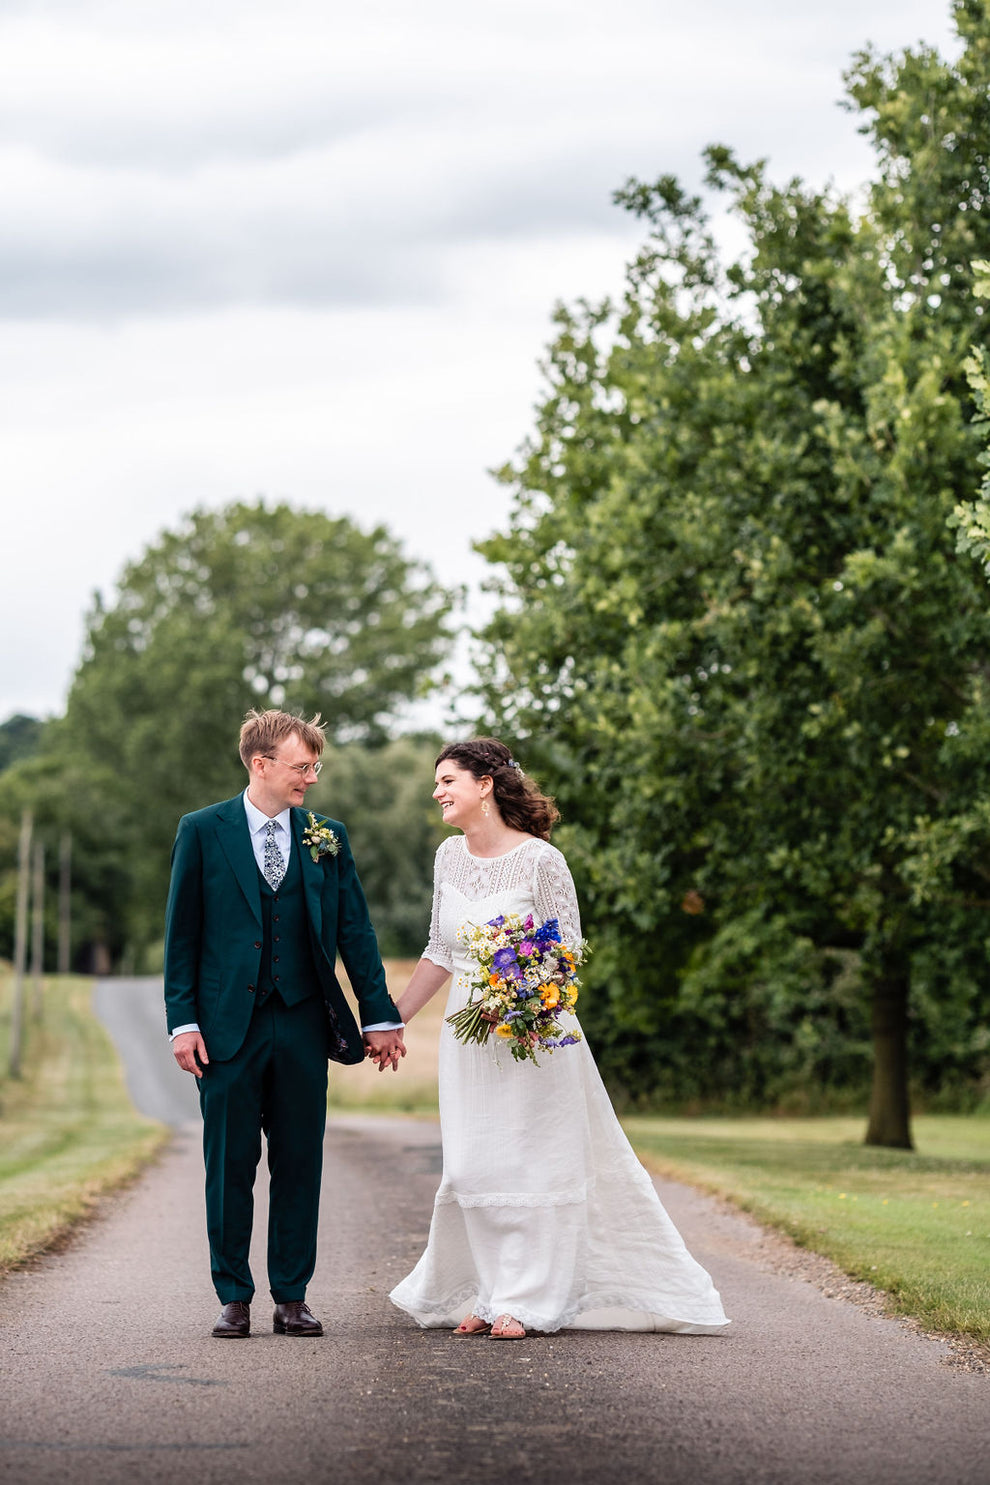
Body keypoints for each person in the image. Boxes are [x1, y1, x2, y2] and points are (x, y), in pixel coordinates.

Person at [389, 737, 729, 1340]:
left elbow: (566, 951)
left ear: (485, 784)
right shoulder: (447, 856)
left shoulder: (543, 862)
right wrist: (392, 1020)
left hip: (535, 1034)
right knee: (474, 1165)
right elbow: (440, 950)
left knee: (534, 1162)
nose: (436, 791)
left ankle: (528, 1299)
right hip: (467, 1036)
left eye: (447, 780)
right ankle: (489, 1291)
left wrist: (518, 992)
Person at [165, 708, 405, 1339]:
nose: (311, 779)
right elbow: (181, 939)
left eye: (315, 767)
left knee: (300, 1162)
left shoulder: (327, 835)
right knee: (229, 1165)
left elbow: (355, 930)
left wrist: (379, 1013)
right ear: (260, 763)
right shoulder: (201, 831)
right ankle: (234, 1296)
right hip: (224, 1031)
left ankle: (292, 1296)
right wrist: (181, 1022)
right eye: (302, 767)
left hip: (302, 1023)